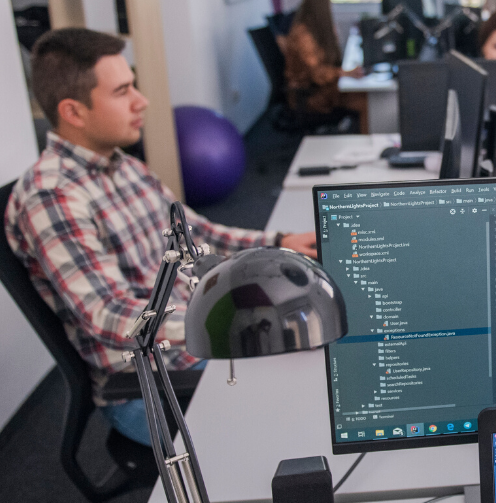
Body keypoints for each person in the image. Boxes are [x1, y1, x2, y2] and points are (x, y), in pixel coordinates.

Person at [5, 28, 319, 447]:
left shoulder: (124, 167)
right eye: (122, 91)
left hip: (194, 347)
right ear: (73, 112)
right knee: (304, 413)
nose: (142, 101)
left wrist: (279, 240)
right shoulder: (53, 197)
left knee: (318, 365)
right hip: (152, 386)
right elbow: (109, 315)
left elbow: (198, 234)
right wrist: (231, 326)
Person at [282, 0, 365, 128]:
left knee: (366, 97)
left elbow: (332, 60)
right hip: (311, 95)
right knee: (365, 103)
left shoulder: (317, 29)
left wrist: (333, 36)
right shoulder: (303, 34)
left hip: (324, 88)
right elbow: (317, 74)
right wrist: (345, 72)